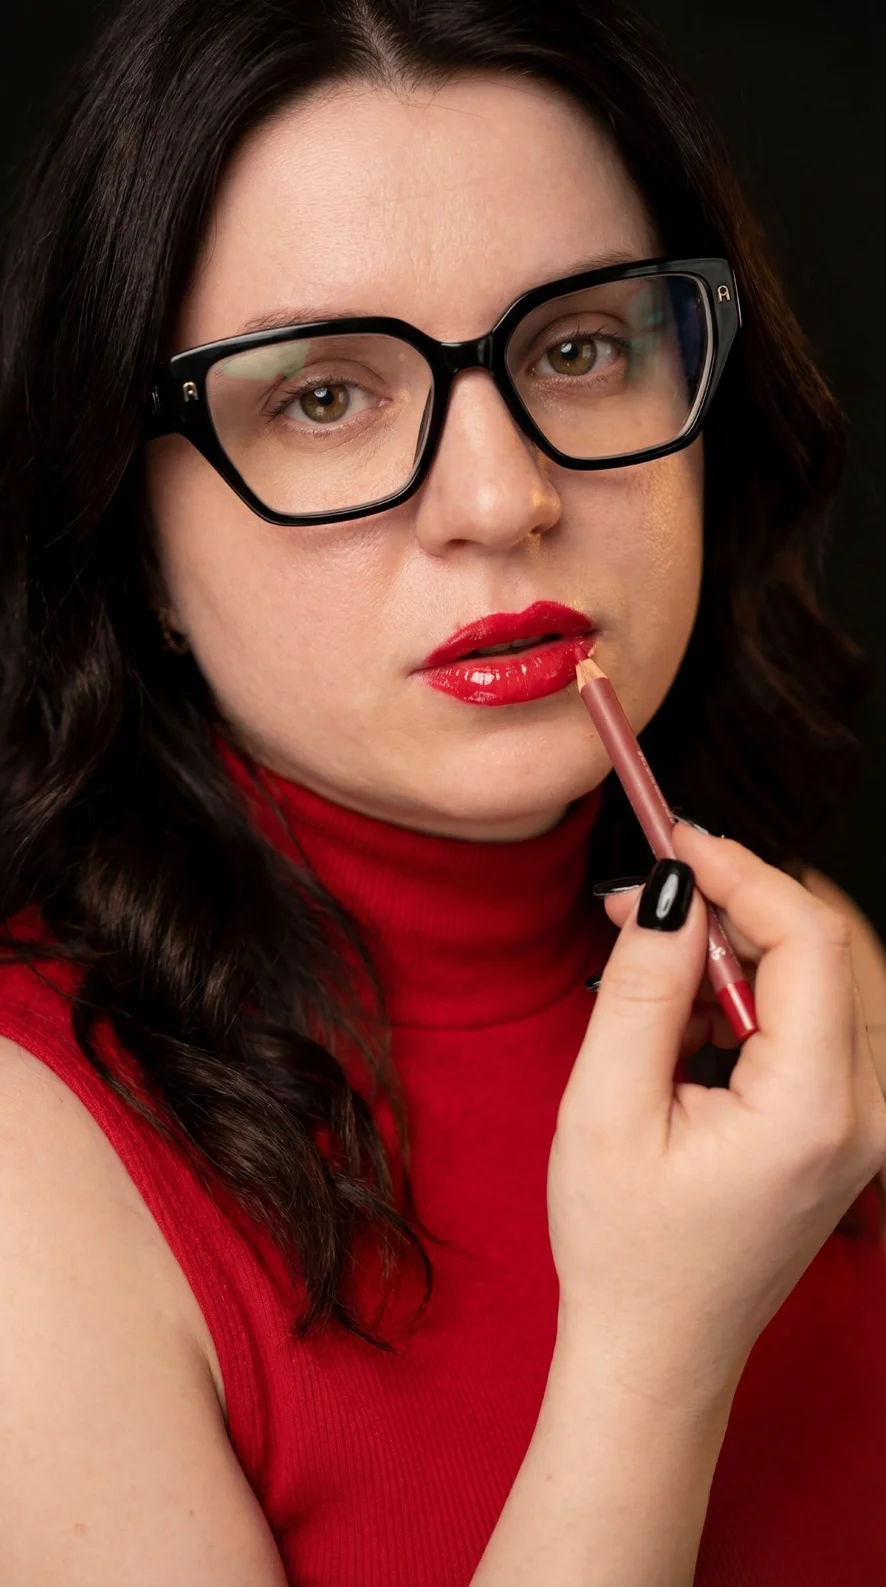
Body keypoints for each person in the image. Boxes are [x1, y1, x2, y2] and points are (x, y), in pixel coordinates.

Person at [0, 0, 884, 1582]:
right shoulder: (33, 1159)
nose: (502, 497)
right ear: (128, 522)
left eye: (577, 348)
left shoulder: (797, 976)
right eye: (322, 395)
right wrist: (650, 1360)